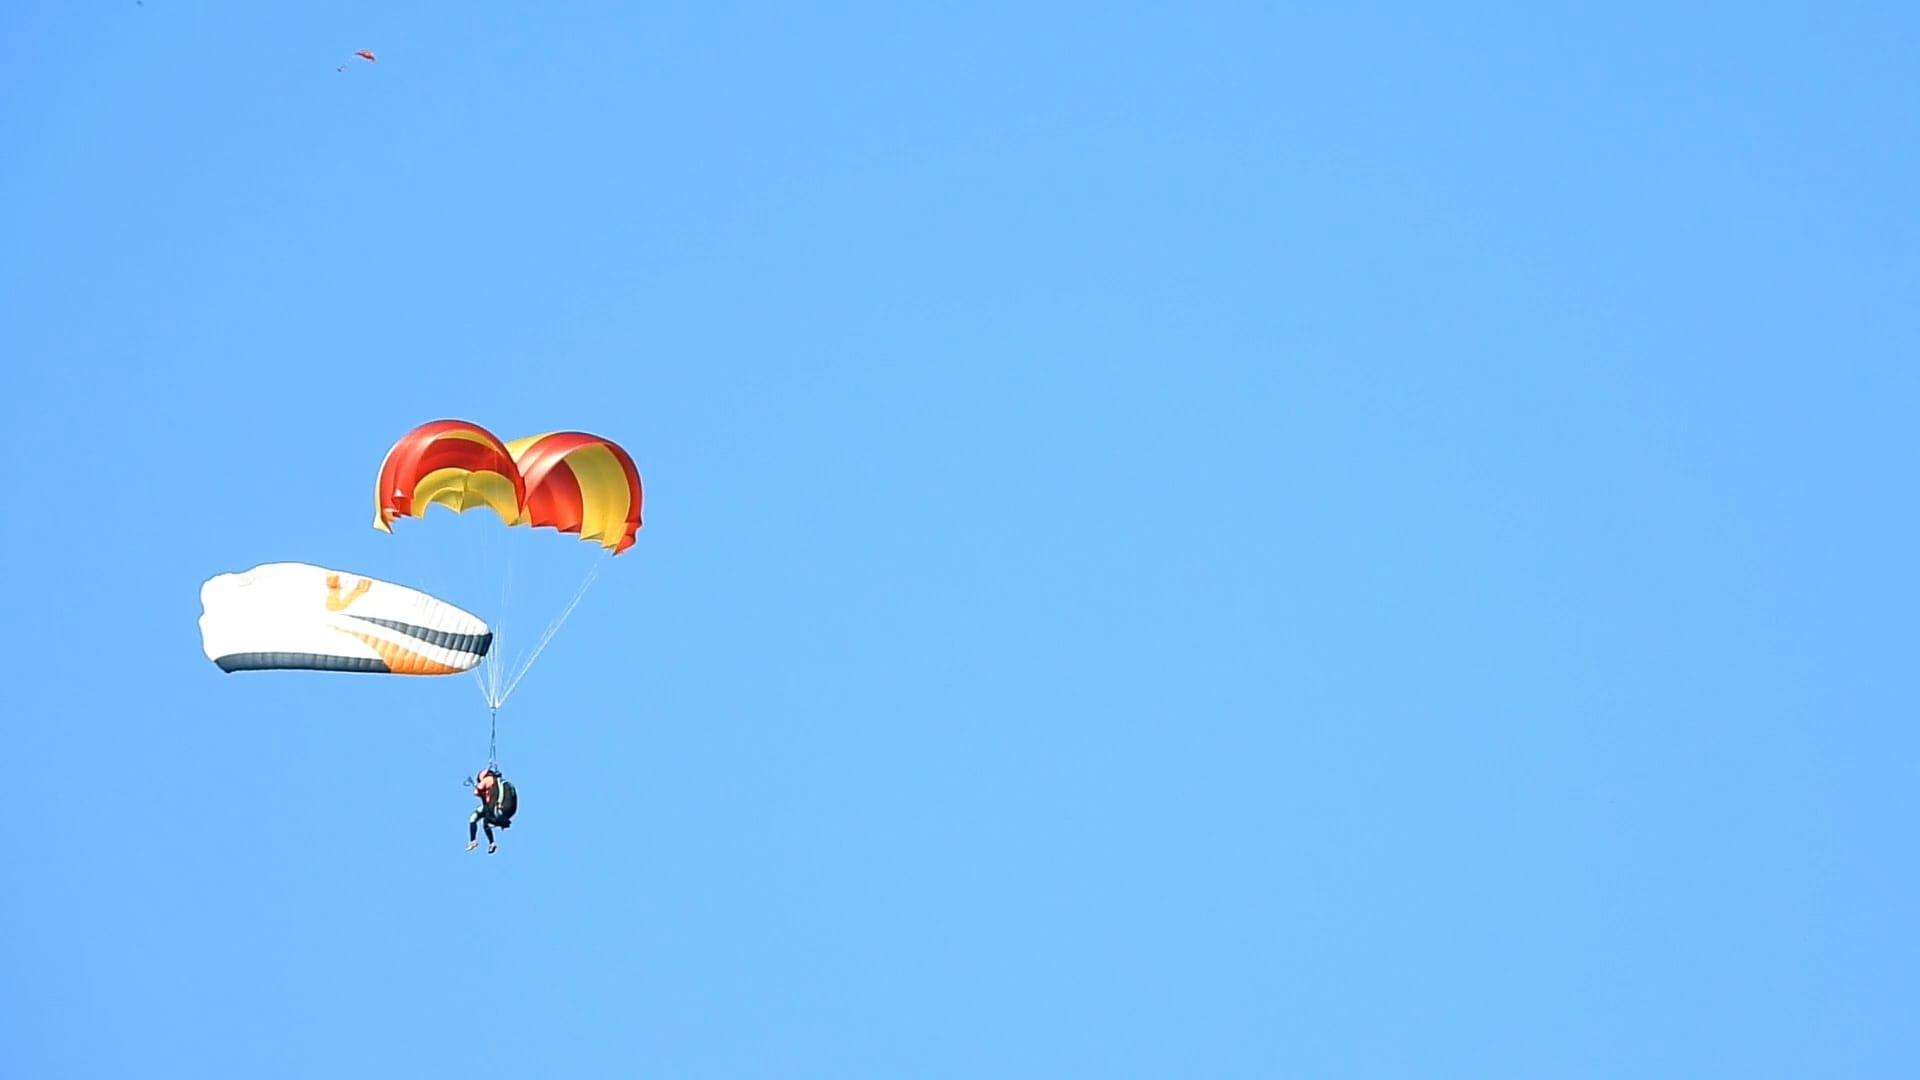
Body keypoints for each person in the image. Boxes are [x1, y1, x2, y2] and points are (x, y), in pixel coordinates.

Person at [467, 766, 505, 854]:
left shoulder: (487, 780)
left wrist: (478, 787)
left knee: (475, 819)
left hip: (490, 806)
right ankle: (491, 842)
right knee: (484, 822)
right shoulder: (497, 782)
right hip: (494, 805)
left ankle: (473, 841)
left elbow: (476, 792)